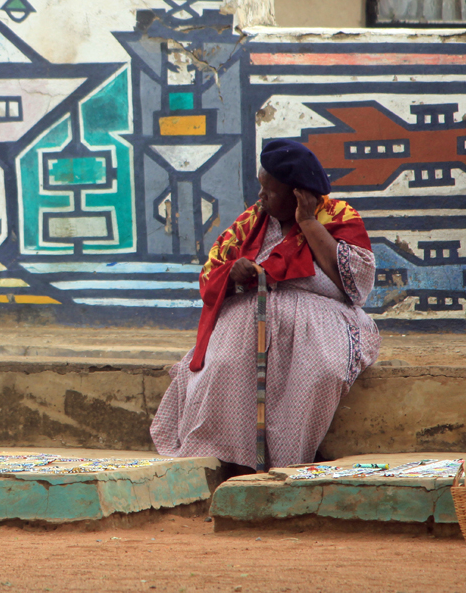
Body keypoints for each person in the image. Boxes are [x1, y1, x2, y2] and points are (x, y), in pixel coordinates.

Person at [150, 139, 380, 472]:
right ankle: (228, 462)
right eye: (261, 188)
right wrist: (234, 273)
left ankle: (289, 461)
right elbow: (211, 273)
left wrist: (307, 221)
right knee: (221, 366)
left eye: (270, 192)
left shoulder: (337, 217)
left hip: (318, 326)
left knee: (318, 372)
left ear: (299, 194)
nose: (261, 198)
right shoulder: (252, 221)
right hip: (247, 321)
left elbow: (356, 285)